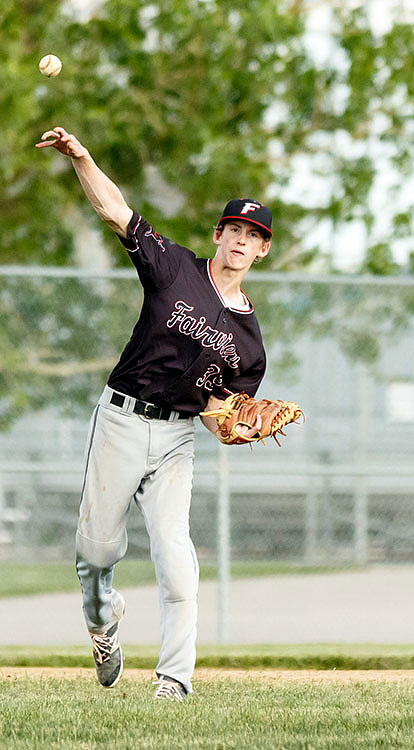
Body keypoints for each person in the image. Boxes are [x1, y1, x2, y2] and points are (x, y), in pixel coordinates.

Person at [36, 127, 274, 700]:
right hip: (120, 420)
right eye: (235, 229)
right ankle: (103, 622)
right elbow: (116, 211)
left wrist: (236, 427)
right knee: (94, 556)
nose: (241, 240)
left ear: (263, 251)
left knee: (176, 557)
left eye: (253, 235)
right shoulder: (175, 269)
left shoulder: (250, 344)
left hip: (176, 440)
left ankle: (174, 680)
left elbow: (219, 415)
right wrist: (83, 158)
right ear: (218, 235)